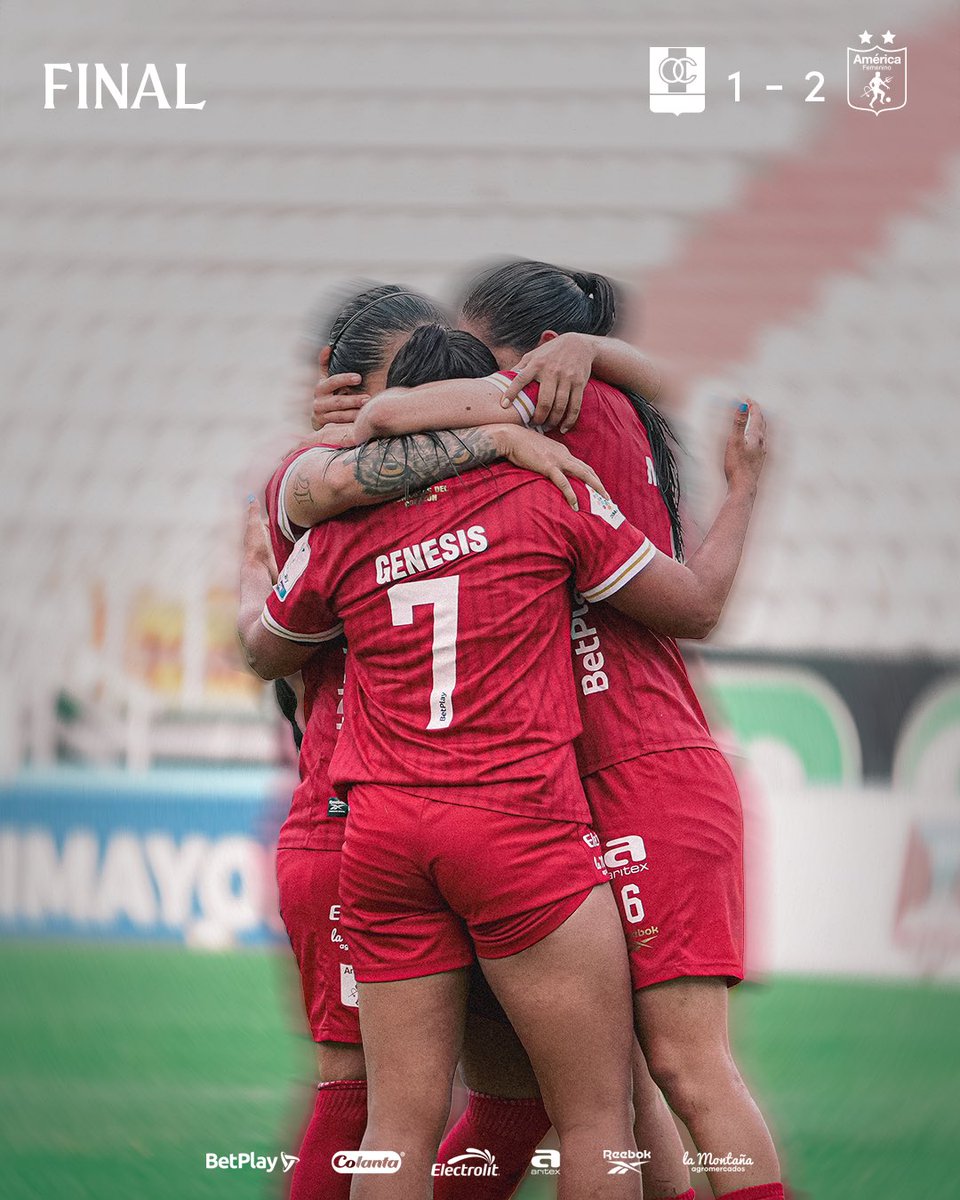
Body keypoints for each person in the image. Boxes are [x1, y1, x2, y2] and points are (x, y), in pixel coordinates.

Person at [241, 319, 767, 1200]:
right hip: (517, 827)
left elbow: (265, 649)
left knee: (393, 1124)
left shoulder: (338, 524)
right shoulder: (548, 492)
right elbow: (693, 605)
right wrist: (744, 485)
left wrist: (253, 575)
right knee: (599, 1115)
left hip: (382, 839)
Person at [255, 286, 606, 1200]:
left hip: (407, 826)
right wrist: (497, 436)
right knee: (365, 1105)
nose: (451, 400)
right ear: (355, 392)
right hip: (351, 817)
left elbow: (267, 642)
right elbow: (264, 645)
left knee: (507, 1105)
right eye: (415, 385)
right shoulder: (319, 472)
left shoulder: (404, 494)